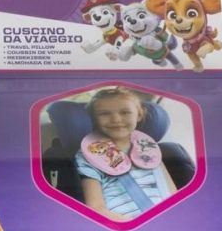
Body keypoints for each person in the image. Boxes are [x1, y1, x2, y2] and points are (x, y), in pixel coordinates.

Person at [75, 87, 177, 221]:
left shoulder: (149, 148)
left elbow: (174, 196)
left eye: (125, 112)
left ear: (139, 115)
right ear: (94, 119)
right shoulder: (89, 155)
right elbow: (96, 208)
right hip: (124, 224)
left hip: (167, 220)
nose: (116, 119)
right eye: (104, 114)